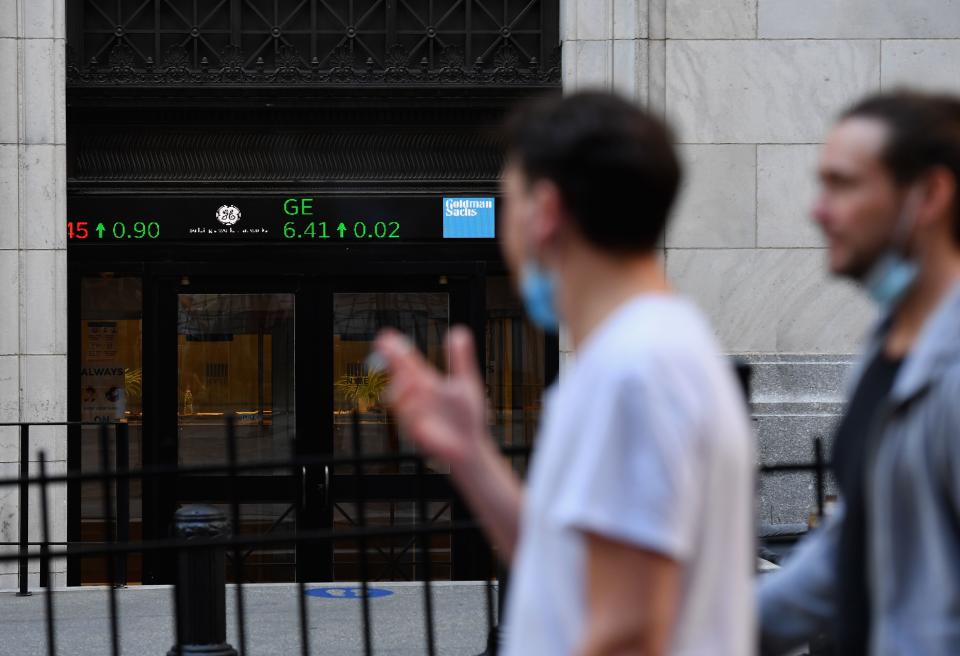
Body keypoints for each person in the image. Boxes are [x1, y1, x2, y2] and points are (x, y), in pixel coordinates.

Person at [375, 92, 755, 655]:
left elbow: (627, 632)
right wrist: (471, 455)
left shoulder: (633, 372)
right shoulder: (649, 351)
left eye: (507, 202)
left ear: (545, 212)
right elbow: (566, 573)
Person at [759, 92, 960, 655]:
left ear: (930, 195)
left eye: (842, 184)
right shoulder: (887, 344)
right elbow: (855, 543)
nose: (818, 210)